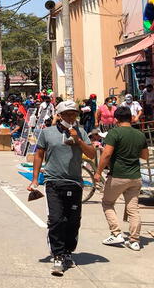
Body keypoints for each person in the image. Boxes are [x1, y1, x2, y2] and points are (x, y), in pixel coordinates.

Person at [28, 101, 96, 276]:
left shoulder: (80, 132)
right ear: (59, 115)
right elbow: (39, 154)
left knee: (73, 222)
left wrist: (78, 139)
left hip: (74, 182)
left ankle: (67, 252)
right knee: (57, 219)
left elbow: (91, 154)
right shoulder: (47, 133)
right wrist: (35, 179)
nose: (70, 117)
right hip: (53, 181)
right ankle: (58, 255)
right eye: (67, 114)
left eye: (73, 114)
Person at [94, 106, 148, 251]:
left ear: (116, 119)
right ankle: (134, 240)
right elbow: (145, 156)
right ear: (131, 118)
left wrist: (98, 172)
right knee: (133, 209)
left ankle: (116, 233)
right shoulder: (140, 134)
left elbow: (106, 155)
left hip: (118, 175)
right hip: (135, 177)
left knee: (107, 203)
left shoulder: (114, 133)